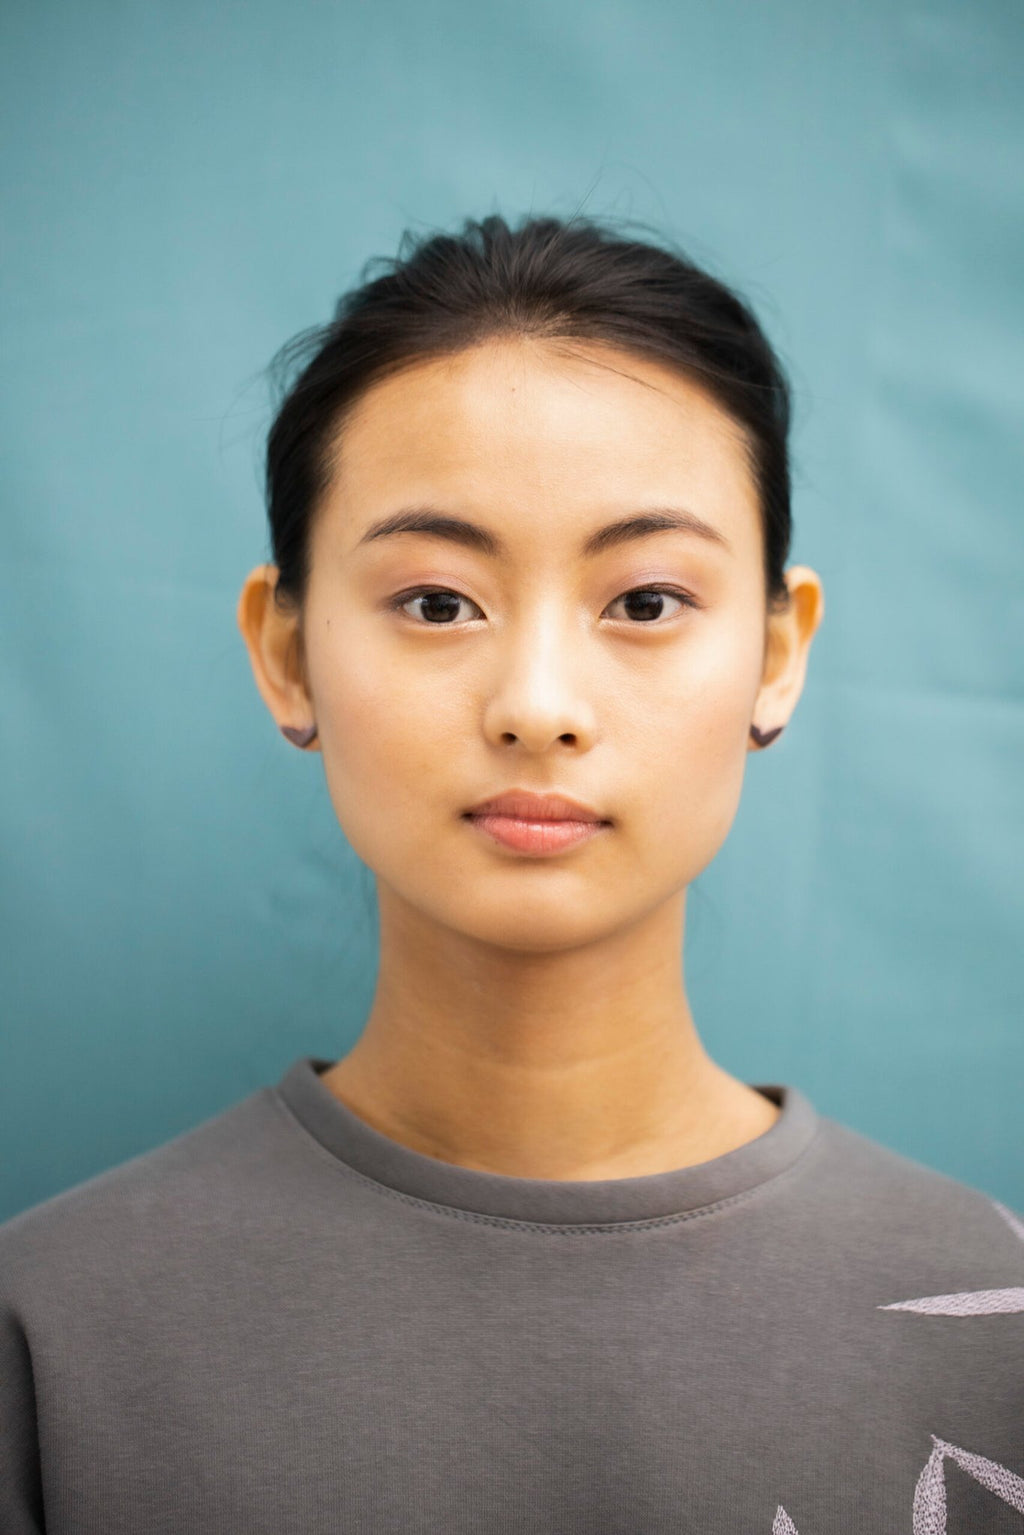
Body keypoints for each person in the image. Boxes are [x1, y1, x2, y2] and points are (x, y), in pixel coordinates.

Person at [1, 214, 1021, 1535]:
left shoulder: (992, 1317)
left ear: (777, 653)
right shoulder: (54, 1335)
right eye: (436, 602)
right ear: (287, 650)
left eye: (646, 601)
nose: (539, 705)